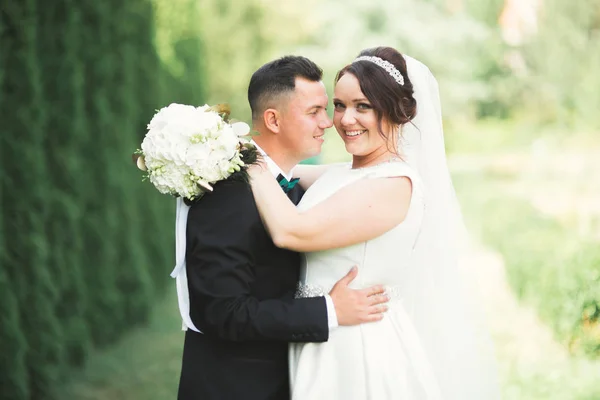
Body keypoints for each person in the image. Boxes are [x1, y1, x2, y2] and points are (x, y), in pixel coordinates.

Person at [248, 47, 500, 399]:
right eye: (338, 105)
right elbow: (285, 169)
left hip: (355, 347)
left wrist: (248, 159)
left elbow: (290, 230)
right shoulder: (342, 175)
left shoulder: (395, 185)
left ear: (396, 111)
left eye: (362, 106)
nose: (345, 119)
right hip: (317, 334)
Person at [174, 55, 390, 400]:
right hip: (235, 386)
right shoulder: (227, 191)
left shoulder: (289, 183)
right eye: (314, 112)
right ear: (273, 119)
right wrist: (330, 309)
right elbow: (221, 312)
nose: (328, 123)